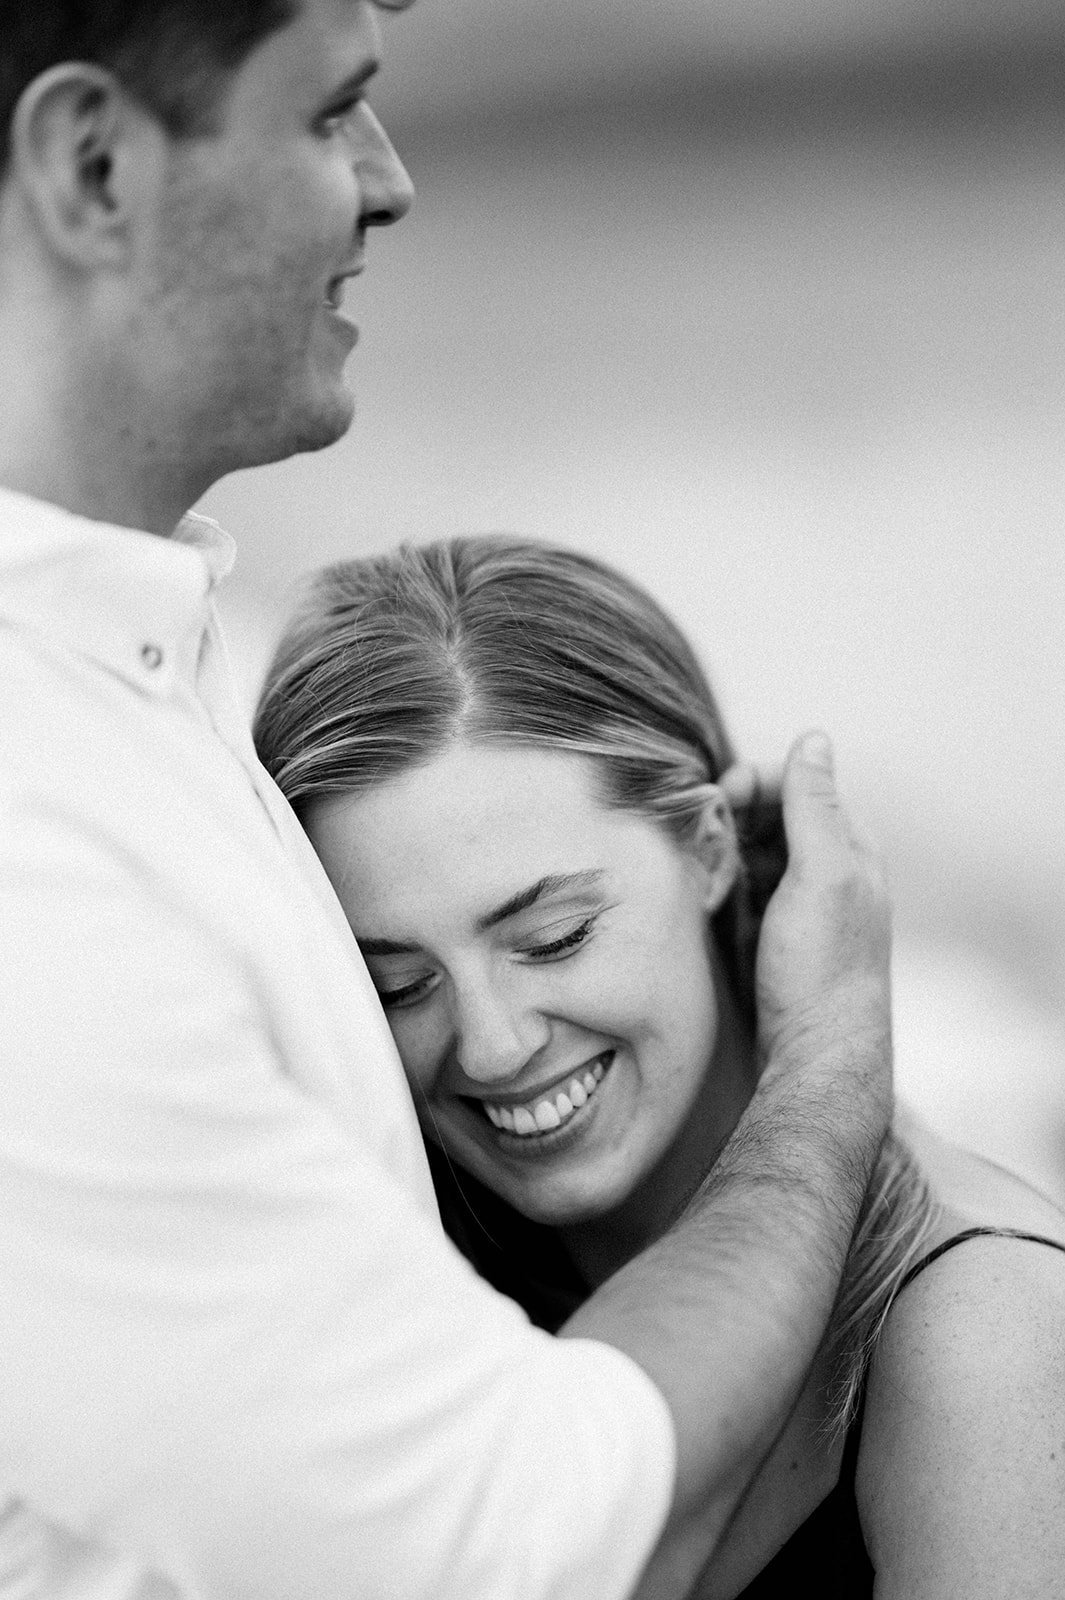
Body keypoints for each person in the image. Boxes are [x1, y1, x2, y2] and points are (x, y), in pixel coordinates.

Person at [0, 4, 899, 1597]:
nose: (389, 180)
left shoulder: (156, 665)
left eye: (545, 929)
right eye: (330, 110)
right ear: (92, 165)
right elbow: (516, 1552)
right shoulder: (36, 848)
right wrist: (827, 1076)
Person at [254, 533, 1065, 1598]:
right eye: (398, 984)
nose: (493, 1044)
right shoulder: (383, 1275)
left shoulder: (981, 1334)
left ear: (712, 848)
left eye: (553, 936)